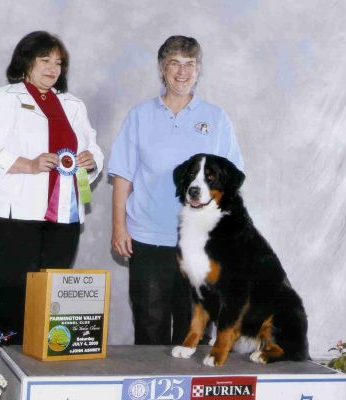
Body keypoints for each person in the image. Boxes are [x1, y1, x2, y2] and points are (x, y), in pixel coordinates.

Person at [108, 35, 243, 345]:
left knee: (194, 330)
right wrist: (119, 227)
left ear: (198, 70)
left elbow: (232, 181)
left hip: (200, 242)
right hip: (147, 238)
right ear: (161, 69)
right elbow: (122, 176)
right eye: (174, 64)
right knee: (149, 325)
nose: (182, 72)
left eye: (190, 65)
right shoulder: (139, 116)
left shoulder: (217, 118)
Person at [0, 31, 103, 344]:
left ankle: (43, 374)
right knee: (14, 298)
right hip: (11, 216)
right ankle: (4, 376)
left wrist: (90, 161)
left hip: (64, 218)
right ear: (26, 61)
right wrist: (27, 164)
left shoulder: (73, 104)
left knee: (52, 300)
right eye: (45, 59)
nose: (52, 67)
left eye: (58, 62)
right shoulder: (6, 98)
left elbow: (94, 148)